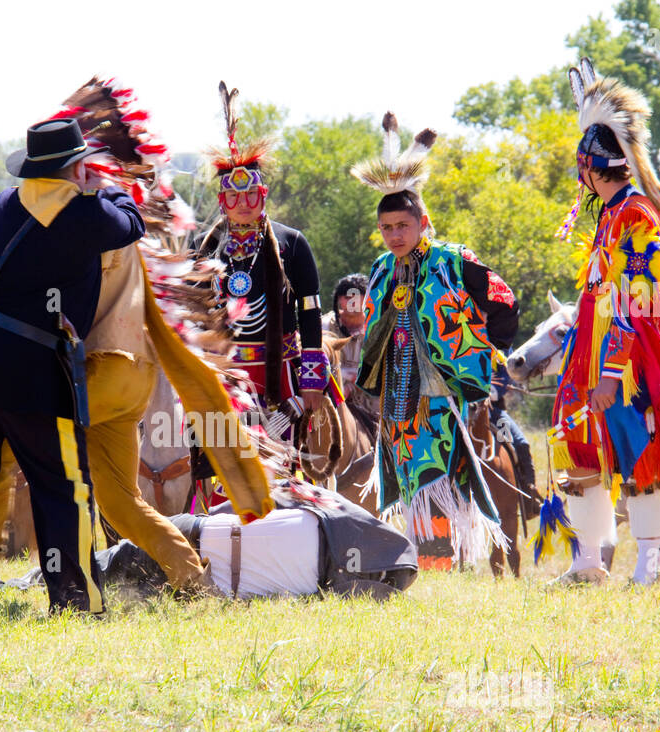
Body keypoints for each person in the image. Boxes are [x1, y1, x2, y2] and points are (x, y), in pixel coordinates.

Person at [0, 117, 145, 613]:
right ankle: (77, 598)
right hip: (33, 368)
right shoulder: (86, 215)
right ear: (75, 168)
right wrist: (109, 189)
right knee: (63, 484)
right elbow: (133, 223)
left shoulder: (4, 203)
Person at [547, 58, 660, 586]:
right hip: (591, 355)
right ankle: (589, 560)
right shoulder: (612, 215)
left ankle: (650, 566)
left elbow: (639, 300)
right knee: (580, 444)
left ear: (591, 167)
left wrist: (613, 370)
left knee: (641, 451)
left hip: (630, 361)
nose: (579, 176)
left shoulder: (635, 215)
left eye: (580, 167)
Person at [350, 112, 514, 567]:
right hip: (399, 391)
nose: (394, 235)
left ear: (423, 220)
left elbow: (502, 299)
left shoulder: (452, 261)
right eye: (387, 228)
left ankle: (447, 561)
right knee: (404, 471)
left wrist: (487, 351)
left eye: (402, 225)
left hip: (444, 388)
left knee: (441, 468)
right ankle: (422, 560)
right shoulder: (383, 269)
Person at [10, 480, 417, 600]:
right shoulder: (321, 512)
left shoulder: (325, 518)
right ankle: (28, 581)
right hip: (198, 545)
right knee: (110, 566)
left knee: (113, 571)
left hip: (202, 570)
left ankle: (31, 581)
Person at [194, 82, 327, 436]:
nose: (242, 202)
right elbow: (192, 314)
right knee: (220, 470)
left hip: (278, 374)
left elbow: (310, 311)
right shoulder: (205, 247)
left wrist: (312, 379)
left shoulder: (291, 243)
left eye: (251, 193)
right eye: (233, 196)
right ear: (222, 201)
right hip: (222, 375)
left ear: (263, 195)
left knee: (284, 467)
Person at [321, 273, 375, 422]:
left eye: (358, 296)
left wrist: (351, 385)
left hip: (369, 404)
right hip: (329, 397)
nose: (353, 301)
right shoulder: (324, 326)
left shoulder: (376, 326)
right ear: (339, 299)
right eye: (347, 296)